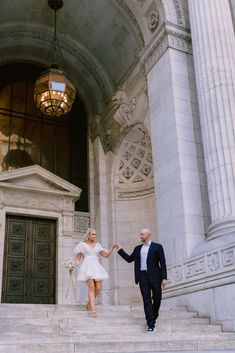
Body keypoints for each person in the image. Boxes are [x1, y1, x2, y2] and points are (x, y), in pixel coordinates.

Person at [116, 228, 167, 332]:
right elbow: (129, 259)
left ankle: (153, 315)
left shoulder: (157, 247)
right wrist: (120, 250)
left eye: (142, 234)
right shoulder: (137, 249)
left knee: (157, 298)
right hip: (142, 276)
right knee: (146, 300)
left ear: (148, 235)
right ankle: (151, 324)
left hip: (155, 277)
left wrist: (164, 278)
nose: (140, 236)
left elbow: (163, 263)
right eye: (140, 234)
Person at [74, 228, 116, 317]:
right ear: (88, 235)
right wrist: (72, 265)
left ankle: (89, 303)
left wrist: (112, 247)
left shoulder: (98, 245)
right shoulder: (82, 245)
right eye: (93, 234)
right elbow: (78, 258)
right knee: (92, 287)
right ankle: (93, 310)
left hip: (96, 267)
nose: (94, 236)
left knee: (98, 288)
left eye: (95, 234)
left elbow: (106, 255)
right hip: (87, 266)